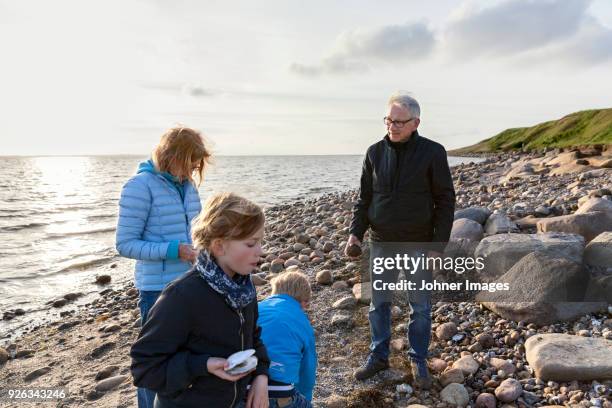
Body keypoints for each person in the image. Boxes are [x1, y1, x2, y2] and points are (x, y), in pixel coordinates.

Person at [345, 91, 455, 388]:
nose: (392, 126)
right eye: (388, 120)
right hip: (381, 243)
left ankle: (418, 359)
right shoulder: (374, 152)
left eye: (399, 121)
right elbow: (364, 198)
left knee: (419, 307)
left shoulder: (433, 152)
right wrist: (356, 233)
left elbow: (445, 200)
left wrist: (437, 246)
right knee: (377, 304)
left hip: (418, 243)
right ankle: (378, 356)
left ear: (415, 122)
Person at [130, 192, 270, 408]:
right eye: (251, 244)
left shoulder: (243, 288)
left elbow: (253, 338)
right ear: (219, 246)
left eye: (261, 241)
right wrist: (202, 365)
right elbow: (145, 368)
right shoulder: (182, 296)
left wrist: (261, 376)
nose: (260, 251)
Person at [115, 126, 211, 408]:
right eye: (190, 161)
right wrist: (175, 250)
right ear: (171, 155)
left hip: (193, 283)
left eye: (197, 163)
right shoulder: (139, 186)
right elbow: (125, 244)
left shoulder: (189, 186)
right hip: (156, 290)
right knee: (154, 365)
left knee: (185, 359)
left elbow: (197, 230)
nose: (194, 168)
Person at [257, 271, 317, 407]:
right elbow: (307, 370)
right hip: (278, 393)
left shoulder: (256, 308)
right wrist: (305, 398)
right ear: (304, 301)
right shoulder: (302, 321)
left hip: (240, 388)